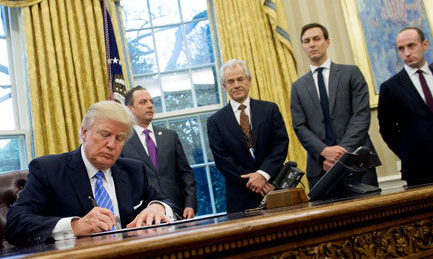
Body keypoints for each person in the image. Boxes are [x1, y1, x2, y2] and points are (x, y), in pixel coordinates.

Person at [6, 100, 174, 246]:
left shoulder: (134, 170)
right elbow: (15, 224)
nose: (111, 144)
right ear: (85, 132)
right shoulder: (48, 170)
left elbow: (166, 202)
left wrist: (159, 207)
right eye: (104, 135)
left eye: (119, 138)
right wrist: (75, 226)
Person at [290, 23, 380, 189]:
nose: (312, 44)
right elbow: (299, 126)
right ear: (302, 47)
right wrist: (325, 151)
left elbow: (361, 115)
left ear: (327, 42)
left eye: (316, 39)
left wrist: (341, 153)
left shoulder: (351, 73)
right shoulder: (297, 87)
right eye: (307, 41)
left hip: (358, 161)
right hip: (321, 168)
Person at [207, 59, 289, 213]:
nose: (236, 85)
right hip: (240, 196)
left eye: (240, 79)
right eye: (230, 81)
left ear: (249, 81)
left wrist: (263, 174)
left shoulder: (269, 110)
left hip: (273, 189)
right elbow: (222, 160)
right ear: (224, 87)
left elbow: (280, 145)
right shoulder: (215, 122)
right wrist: (254, 180)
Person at [121, 86, 197, 219]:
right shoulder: (123, 142)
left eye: (151, 102)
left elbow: (185, 173)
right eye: (143, 102)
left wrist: (190, 204)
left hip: (177, 210)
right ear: (130, 109)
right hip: (143, 216)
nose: (150, 105)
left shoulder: (170, 136)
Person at [378, 27, 433, 186]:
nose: (407, 53)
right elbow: (387, 130)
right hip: (419, 169)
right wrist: (409, 153)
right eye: (401, 49)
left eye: (411, 46)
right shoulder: (390, 87)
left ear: (425, 44)